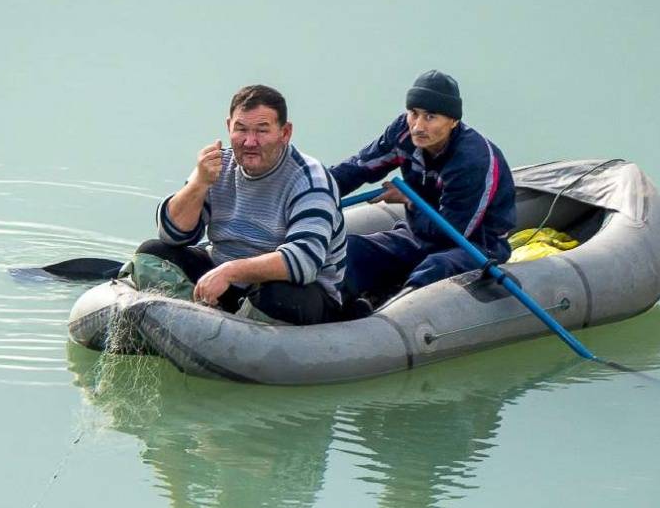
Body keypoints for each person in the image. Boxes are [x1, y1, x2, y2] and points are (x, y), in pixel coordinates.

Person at [133, 84, 346, 326]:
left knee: (280, 296)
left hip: (296, 290)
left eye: (262, 131)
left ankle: (223, 336)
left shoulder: (310, 179)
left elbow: (304, 262)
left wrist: (230, 271)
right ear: (228, 127)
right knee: (152, 254)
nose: (250, 141)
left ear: (285, 133)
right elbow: (172, 235)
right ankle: (189, 327)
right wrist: (198, 184)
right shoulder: (216, 166)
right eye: (241, 129)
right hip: (225, 278)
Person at [329, 70, 516, 306]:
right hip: (418, 234)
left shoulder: (472, 160)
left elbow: (451, 235)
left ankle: (382, 312)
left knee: (436, 266)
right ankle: (336, 303)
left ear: (453, 120)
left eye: (430, 117)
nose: (418, 126)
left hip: (477, 244)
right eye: (413, 113)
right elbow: (359, 168)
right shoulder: (403, 133)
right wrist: (310, 192)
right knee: (353, 249)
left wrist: (410, 200)